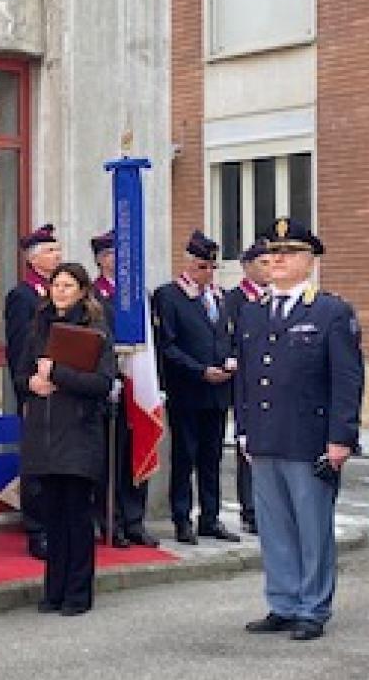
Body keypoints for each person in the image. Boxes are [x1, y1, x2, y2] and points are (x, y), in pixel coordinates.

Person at [232, 217, 364, 642]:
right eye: (272, 254)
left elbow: (347, 379)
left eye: (287, 253)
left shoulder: (330, 312)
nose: (276, 261)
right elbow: (247, 378)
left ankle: (312, 607)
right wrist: (244, 430)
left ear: (309, 262)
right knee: (274, 527)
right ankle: (283, 602)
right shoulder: (253, 313)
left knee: (312, 527)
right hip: (266, 436)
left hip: (309, 438)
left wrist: (342, 437)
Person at [14, 262, 116, 616]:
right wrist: (31, 383)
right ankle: (53, 590)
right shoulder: (39, 326)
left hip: (77, 432)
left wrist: (58, 374)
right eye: (56, 284)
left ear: (82, 291)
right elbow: (21, 372)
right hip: (44, 431)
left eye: (68, 285)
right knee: (52, 516)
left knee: (76, 515)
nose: (60, 291)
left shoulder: (94, 329)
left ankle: (77, 593)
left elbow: (102, 384)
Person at [151, 230, 238, 545]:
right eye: (202, 266)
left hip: (218, 391)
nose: (208, 273)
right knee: (185, 456)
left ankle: (210, 517)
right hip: (188, 390)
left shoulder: (220, 297)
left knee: (212, 457)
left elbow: (228, 337)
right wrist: (200, 371)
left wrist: (230, 362)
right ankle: (181, 518)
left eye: (212, 267)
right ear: (188, 264)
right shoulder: (169, 295)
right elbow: (168, 346)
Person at [91, 230, 158, 548]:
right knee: (110, 458)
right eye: (113, 255)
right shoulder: (93, 296)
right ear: (102, 259)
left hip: (138, 385)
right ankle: (110, 519)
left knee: (137, 450)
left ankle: (135, 519)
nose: (119, 261)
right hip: (109, 385)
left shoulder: (138, 293)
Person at [5, 223, 61, 559]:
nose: (58, 255)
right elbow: (17, 350)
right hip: (35, 390)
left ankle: (54, 523)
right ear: (35, 257)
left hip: (62, 389)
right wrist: (25, 390)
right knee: (37, 462)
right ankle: (36, 527)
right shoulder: (23, 295)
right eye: (52, 250)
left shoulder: (60, 292)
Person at [224, 242, 272, 534]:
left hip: (267, 382)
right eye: (263, 263)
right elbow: (228, 339)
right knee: (246, 445)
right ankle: (250, 509)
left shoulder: (272, 299)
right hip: (243, 381)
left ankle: (267, 506)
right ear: (247, 266)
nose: (269, 269)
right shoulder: (235, 300)